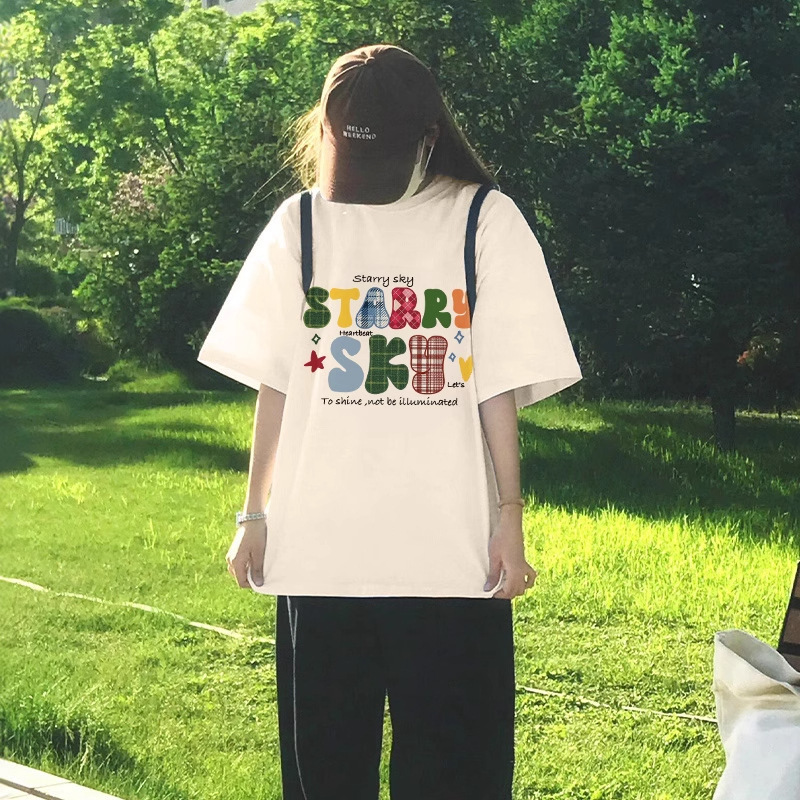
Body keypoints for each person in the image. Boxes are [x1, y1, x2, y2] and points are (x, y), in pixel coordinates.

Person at [197, 43, 583, 800]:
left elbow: (497, 386)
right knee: (326, 779)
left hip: (450, 557)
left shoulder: (483, 220)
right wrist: (253, 515)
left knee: (455, 780)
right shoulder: (302, 223)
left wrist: (510, 518)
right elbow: (276, 381)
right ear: (327, 135)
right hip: (321, 555)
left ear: (429, 137)